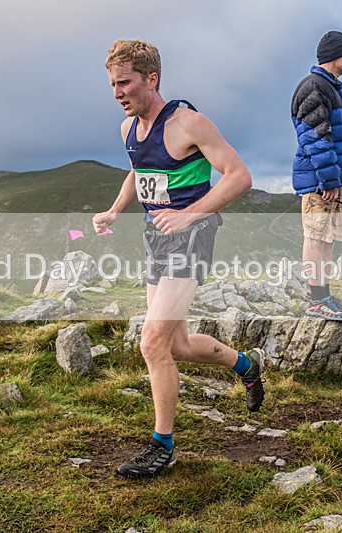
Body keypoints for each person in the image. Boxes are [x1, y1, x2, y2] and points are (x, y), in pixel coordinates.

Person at [94, 39, 264, 478]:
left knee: (151, 343)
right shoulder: (127, 129)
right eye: (113, 84)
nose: (118, 92)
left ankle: (162, 447)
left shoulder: (189, 123)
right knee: (177, 345)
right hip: (157, 237)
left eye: (125, 82)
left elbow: (239, 176)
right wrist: (115, 210)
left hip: (192, 237)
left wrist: (189, 215)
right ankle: (246, 365)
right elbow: (140, 170)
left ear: (152, 79)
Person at [291, 31, 342, 321]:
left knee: (327, 237)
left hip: (329, 180)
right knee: (316, 235)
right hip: (321, 182)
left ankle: (325, 296)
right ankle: (317, 300)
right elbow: (314, 136)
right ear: (335, 54)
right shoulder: (314, 86)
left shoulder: (329, 87)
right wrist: (329, 180)